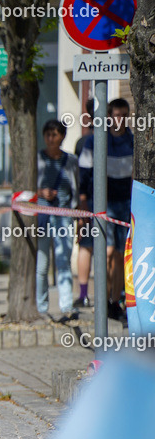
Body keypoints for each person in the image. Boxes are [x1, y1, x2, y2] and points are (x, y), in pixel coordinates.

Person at [78, 98, 133, 321]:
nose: (118, 120)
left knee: (120, 254)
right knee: (107, 251)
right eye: (115, 116)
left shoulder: (132, 141)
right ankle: (102, 297)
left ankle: (115, 300)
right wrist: (83, 202)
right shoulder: (95, 141)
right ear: (108, 117)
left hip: (126, 204)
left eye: (123, 116)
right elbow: (84, 174)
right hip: (102, 204)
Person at [35, 119, 78, 320]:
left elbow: (76, 190)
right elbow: (26, 189)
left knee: (63, 263)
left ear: (62, 137)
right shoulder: (37, 159)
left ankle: (67, 306)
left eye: (55, 134)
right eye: (48, 135)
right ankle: (41, 307)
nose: (51, 139)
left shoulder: (71, 161)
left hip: (64, 216)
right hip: (42, 216)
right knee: (41, 265)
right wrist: (41, 192)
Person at [73, 99, 94, 308]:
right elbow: (81, 176)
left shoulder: (82, 141)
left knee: (87, 247)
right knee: (86, 245)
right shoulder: (84, 143)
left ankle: (84, 294)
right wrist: (82, 203)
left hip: (86, 202)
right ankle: (84, 294)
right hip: (88, 202)